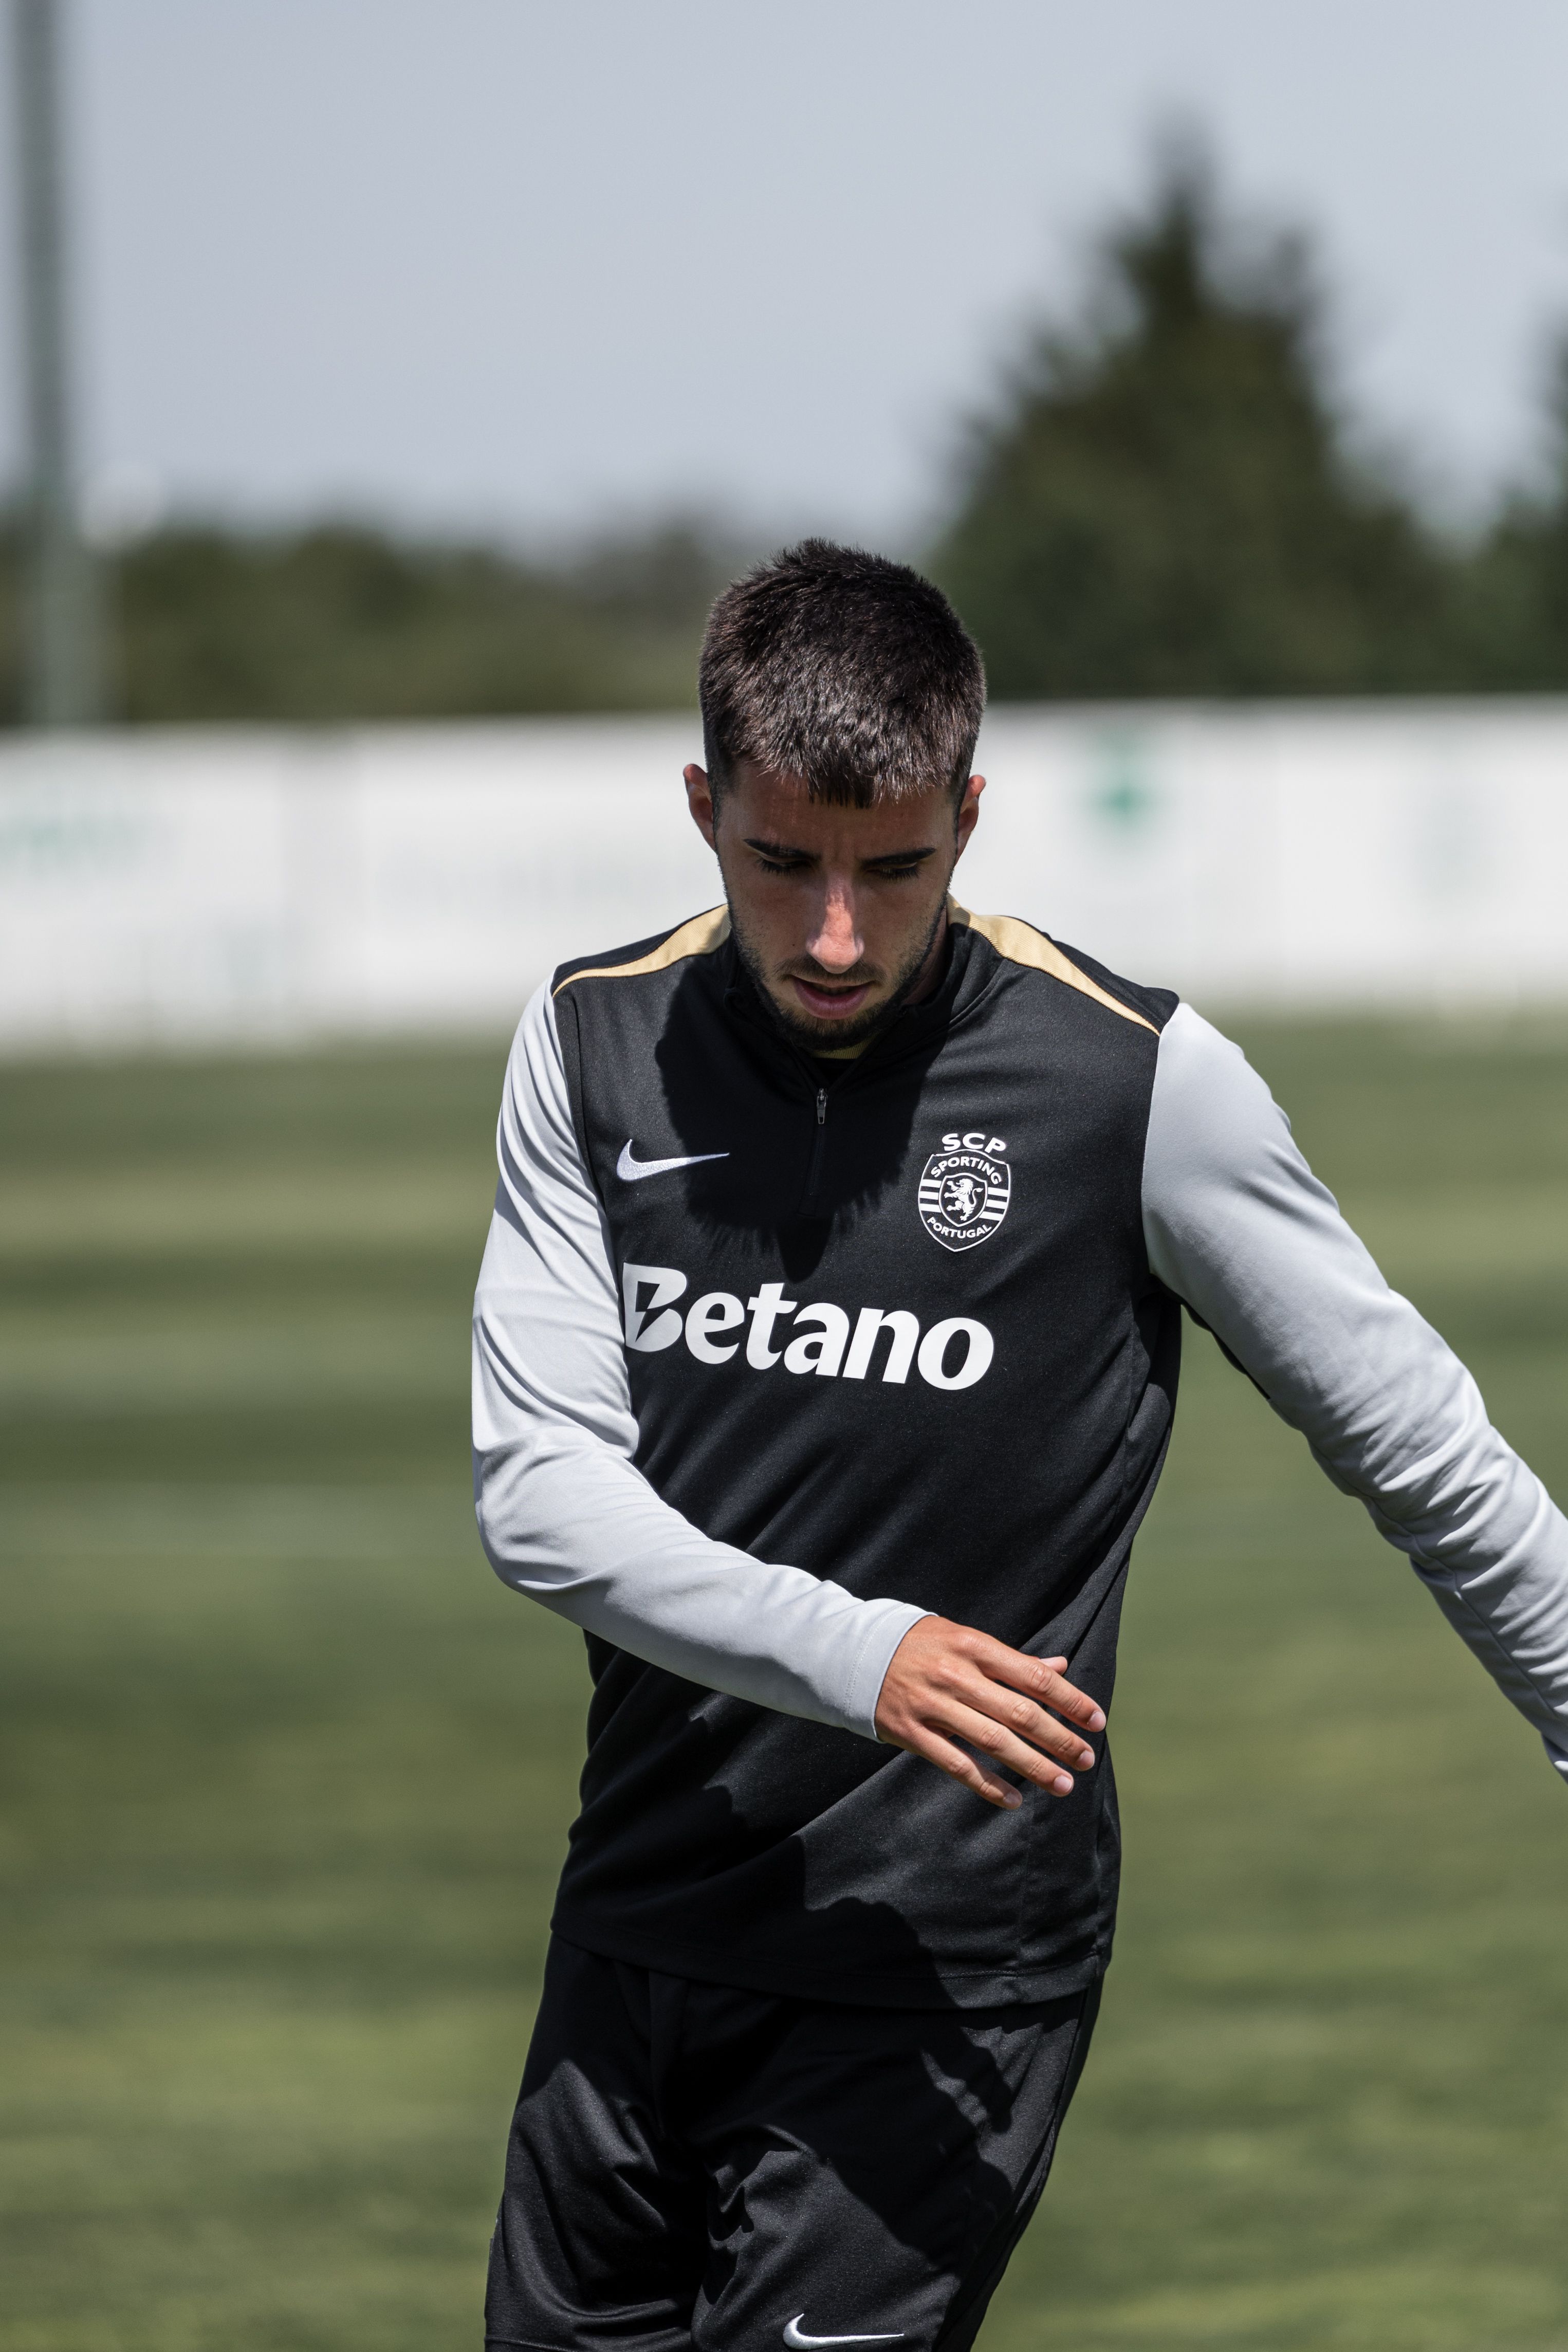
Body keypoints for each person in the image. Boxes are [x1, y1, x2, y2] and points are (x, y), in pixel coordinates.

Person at [471, 541, 1568, 2352]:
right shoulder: (594, 1039)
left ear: (968, 818)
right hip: (637, 1921)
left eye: (893, 869)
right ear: (702, 808)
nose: (836, 933)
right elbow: (542, 1498)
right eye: (782, 863)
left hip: (943, 1968)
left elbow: (1424, 1453)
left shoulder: (1135, 1085)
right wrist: (869, 1651)